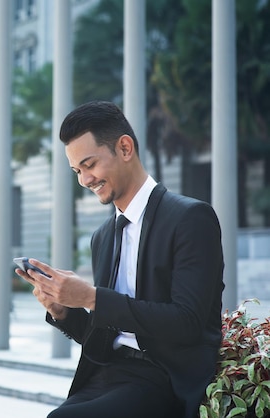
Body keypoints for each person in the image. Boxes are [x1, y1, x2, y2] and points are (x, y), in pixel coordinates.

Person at [15, 101, 224, 418]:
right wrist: (63, 312)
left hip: (168, 378)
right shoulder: (103, 237)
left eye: (89, 164)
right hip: (110, 374)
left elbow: (188, 323)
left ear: (125, 148)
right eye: (77, 171)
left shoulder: (190, 218)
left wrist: (92, 296)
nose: (85, 180)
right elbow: (106, 333)